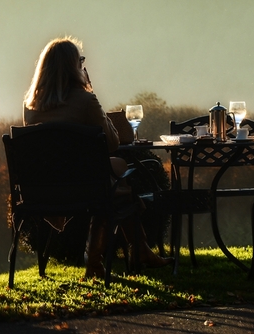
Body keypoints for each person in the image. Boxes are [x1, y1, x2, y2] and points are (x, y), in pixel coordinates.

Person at [22, 36, 164, 277]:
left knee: (112, 181)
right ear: (74, 67)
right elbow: (112, 143)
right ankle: (98, 262)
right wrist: (91, 91)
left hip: (44, 190)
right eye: (81, 60)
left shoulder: (30, 105)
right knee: (116, 182)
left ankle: (138, 251)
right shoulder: (86, 100)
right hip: (85, 189)